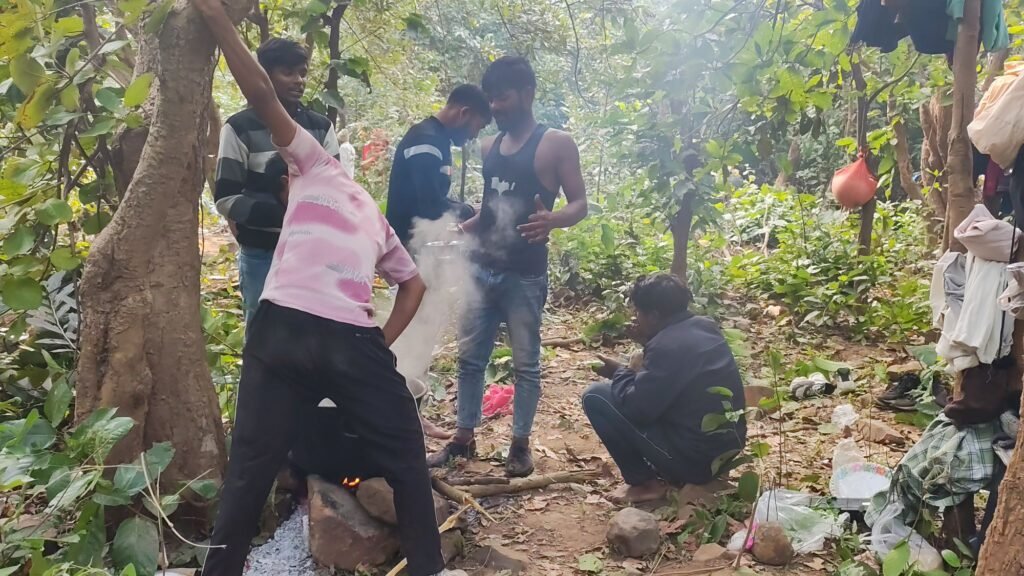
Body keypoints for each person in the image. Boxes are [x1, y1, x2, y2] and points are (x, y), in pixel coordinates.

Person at [192, 2, 452, 575]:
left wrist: (216, 18)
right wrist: (381, 343)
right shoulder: (374, 216)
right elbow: (412, 286)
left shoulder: (312, 165)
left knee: (249, 469)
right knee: (408, 460)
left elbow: (261, 95)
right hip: (350, 340)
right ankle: (428, 567)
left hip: (281, 329)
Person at [428, 56, 588, 477]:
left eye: (503, 97)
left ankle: (519, 445)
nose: (495, 106)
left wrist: (554, 219)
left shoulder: (555, 144)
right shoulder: (489, 146)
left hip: (525, 274)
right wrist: (460, 230)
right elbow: (490, 209)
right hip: (481, 269)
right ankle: (463, 438)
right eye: (492, 99)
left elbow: (580, 203)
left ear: (527, 94)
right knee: (469, 359)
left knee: (525, 364)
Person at [584, 274, 747, 504]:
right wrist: (648, 344)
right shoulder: (706, 326)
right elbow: (673, 375)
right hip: (725, 453)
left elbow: (637, 409)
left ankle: (644, 483)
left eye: (638, 313)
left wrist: (621, 372)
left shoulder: (666, 346)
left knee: (596, 396)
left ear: (654, 316)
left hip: (696, 463)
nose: (635, 318)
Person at [213, 37, 339, 329]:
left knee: (311, 333)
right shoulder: (239, 128)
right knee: (263, 333)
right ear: (265, 76)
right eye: (288, 72)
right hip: (261, 254)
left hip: (312, 253)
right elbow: (226, 198)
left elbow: (337, 191)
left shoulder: (320, 127)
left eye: (302, 73)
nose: (299, 81)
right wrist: (286, 216)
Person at [386, 84, 491, 246]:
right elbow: (431, 207)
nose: (474, 135)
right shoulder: (426, 141)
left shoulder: (437, 139)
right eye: (478, 127)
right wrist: (471, 211)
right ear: (464, 113)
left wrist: (469, 208)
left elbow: (434, 197)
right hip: (406, 249)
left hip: (417, 245)